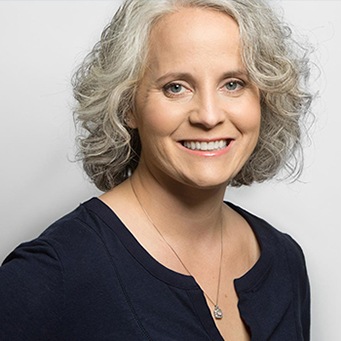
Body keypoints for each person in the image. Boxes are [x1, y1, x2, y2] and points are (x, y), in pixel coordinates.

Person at [0, 0, 313, 340]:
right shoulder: (53, 272)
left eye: (233, 84)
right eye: (175, 87)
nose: (208, 116)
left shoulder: (285, 261)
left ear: (263, 98)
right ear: (128, 106)